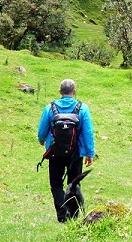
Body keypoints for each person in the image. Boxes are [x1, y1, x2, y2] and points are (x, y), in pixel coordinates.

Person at [37, 79, 95, 222]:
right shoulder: (83, 108)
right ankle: (73, 216)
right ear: (74, 92)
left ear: (59, 92)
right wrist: (89, 153)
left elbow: (41, 131)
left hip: (55, 152)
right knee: (74, 183)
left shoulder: (50, 108)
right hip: (76, 154)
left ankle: (62, 215)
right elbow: (88, 132)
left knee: (56, 184)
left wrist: (42, 140)